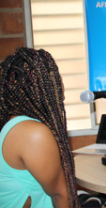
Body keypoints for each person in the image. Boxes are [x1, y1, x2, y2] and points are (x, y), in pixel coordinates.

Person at [0, 48, 80, 207]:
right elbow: (61, 195)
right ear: (42, 86)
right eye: (54, 76)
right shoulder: (32, 133)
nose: (60, 81)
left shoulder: (13, 124)